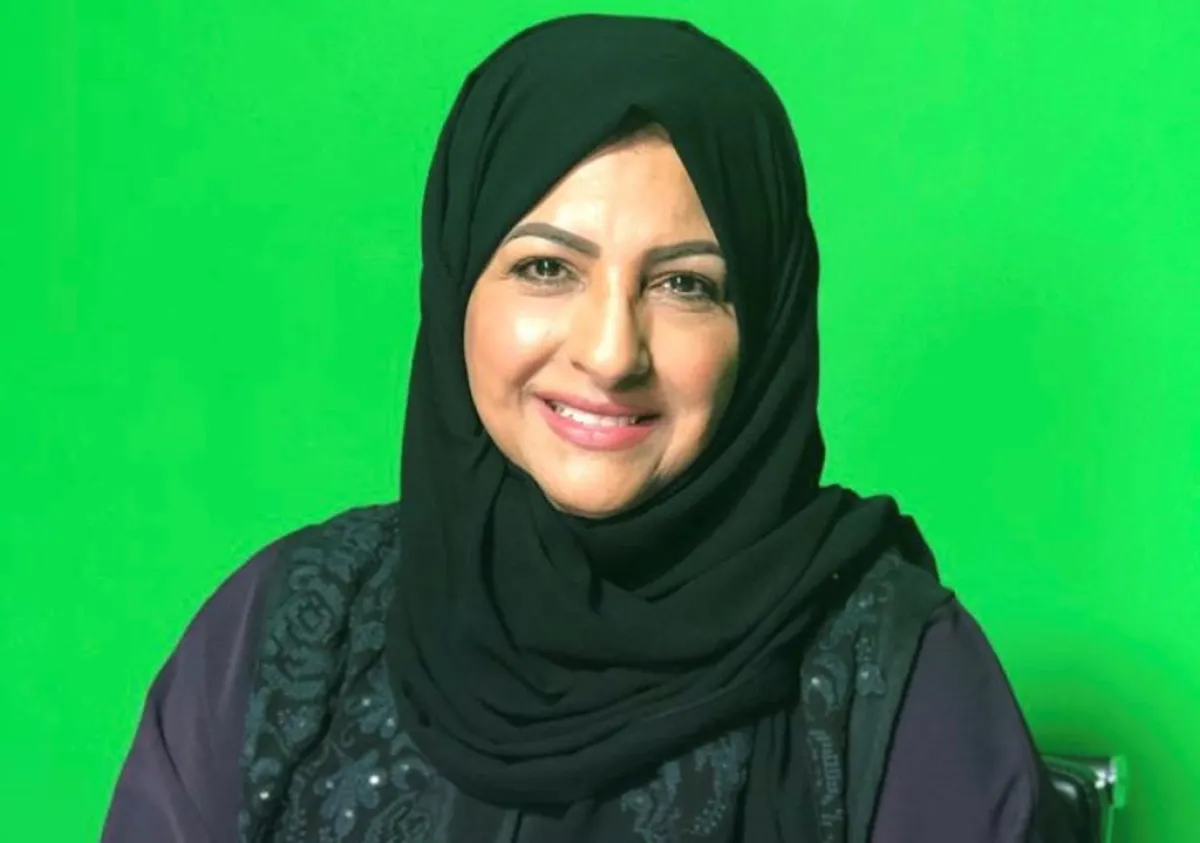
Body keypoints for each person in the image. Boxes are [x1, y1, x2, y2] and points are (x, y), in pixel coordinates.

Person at [101, 14, 1076, 843]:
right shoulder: (290, 629)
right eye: (546, 268)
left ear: (765, 326)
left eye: (685, 283)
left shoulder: (896, 677)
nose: (611, 353)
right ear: (457, 286)